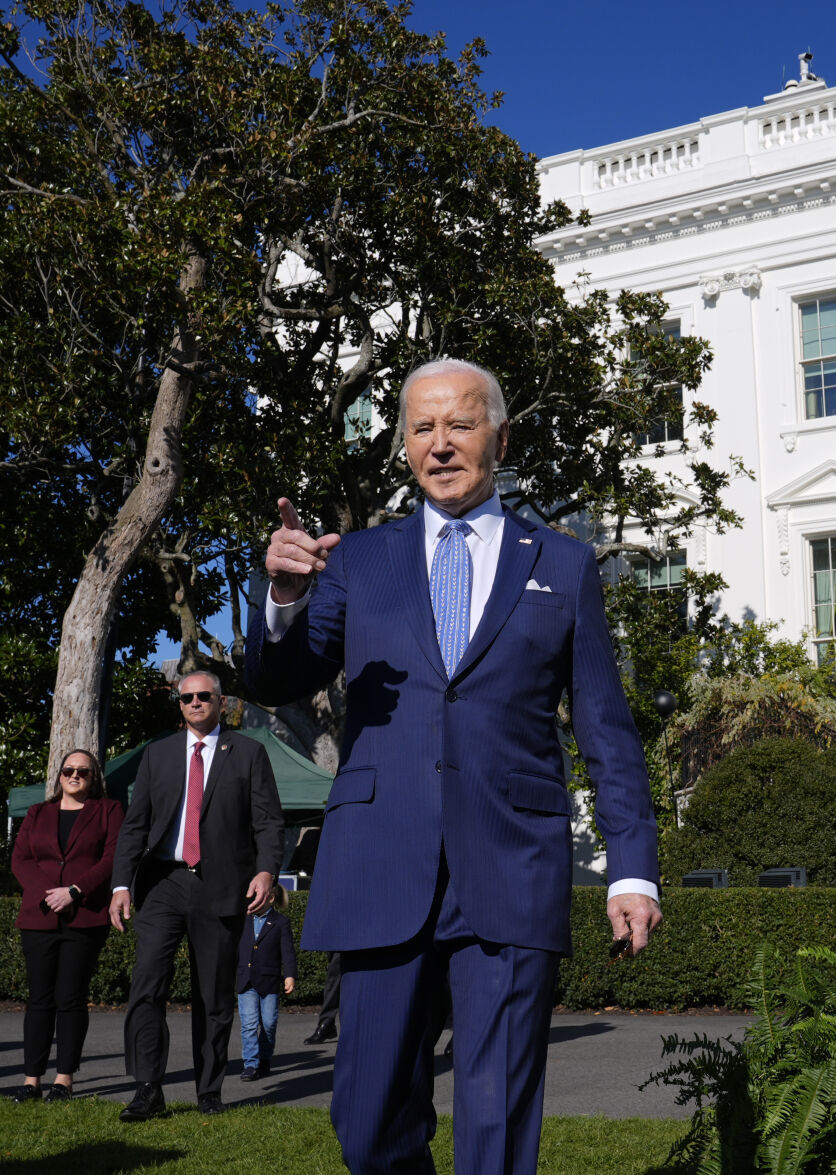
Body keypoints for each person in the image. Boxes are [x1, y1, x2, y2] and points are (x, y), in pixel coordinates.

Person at [246, 356, 662, 1175]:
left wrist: (632, 871)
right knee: (366, 1121)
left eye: (460, 425)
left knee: (494, 1116)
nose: (440, 445)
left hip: (511, 865)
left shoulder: (564, 564)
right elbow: (277, 679)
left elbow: (606, 729)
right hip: (377, 864)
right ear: (402, 444)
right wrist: (283, 600)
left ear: (499, 438)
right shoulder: (359, 561)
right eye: (421, 428)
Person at [109, 671, 285, 1120]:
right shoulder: (158, 754)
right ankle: (148, 1089)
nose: (194, 703)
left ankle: (209, 1091)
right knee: (146, 985)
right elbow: (135, 826)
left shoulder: (248, 752)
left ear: (220, 702)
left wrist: (266, 871)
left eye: (204, 696)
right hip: (163, 884)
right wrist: (122, 884)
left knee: (214, 995)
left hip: (220, 886)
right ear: (180, 704)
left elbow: (267, 822)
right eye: (186, 697)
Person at [10, 748, 125, 1103]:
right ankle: (32, 1080)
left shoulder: (109, 811)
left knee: (70, 999)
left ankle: (64, 1080)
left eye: (83, 772)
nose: (74, 776)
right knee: (39, 1000)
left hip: (85, 917)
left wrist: (74, 891)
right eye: (68, 770)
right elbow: (20, 859)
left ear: (94, 779)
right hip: (39, 916)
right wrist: (50, 894)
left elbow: (112, 857)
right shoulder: (37, 812)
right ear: (58, 776)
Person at [235, 885, 296, 1080]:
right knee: (249, 1024)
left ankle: (265, 1058)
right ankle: (251, 1064)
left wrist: (289, 975)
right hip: (246, 979)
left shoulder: (280, 922)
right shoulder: (242, 920)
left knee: (269, 1023)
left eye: (258, 896)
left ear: (270, 899)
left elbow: (287, 951)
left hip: (269, 981)